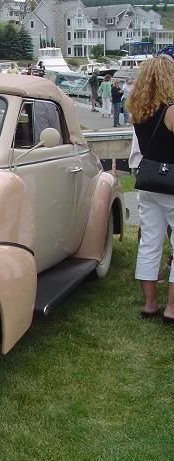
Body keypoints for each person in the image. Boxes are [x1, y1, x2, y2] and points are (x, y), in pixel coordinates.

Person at [126, 46, 174, 321]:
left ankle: (150, 304)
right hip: (172, 184)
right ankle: (171, 307)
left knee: (150, 243)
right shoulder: (171, 111)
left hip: (148, 183)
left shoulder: (139, 110)